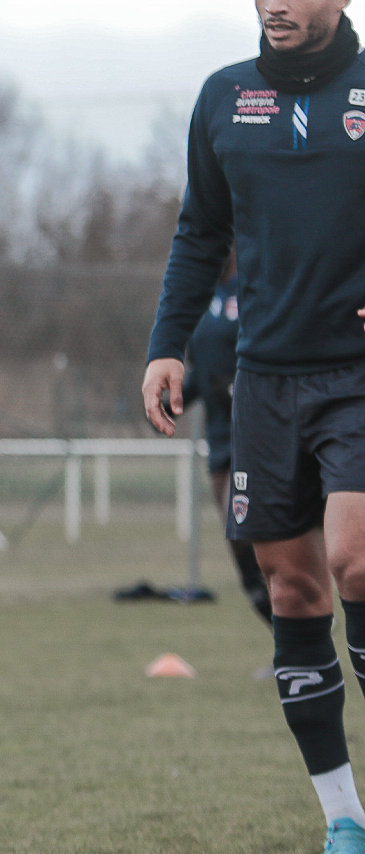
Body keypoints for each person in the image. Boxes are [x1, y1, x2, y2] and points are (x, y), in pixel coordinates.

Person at [142, 0, 365, 854]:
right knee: (293, 591)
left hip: (359, 373)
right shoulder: (225, 97)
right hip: (264, 381)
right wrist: (168, 346)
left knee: (356, 558)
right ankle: (345, 824)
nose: (277, 3)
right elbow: (200, 231)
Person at [181, 257, 271, 624]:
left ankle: (298, 615)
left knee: (243, 514)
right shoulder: (199, 300)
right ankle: (278, 621)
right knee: (237, 537)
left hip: (255, 430)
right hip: (218, 437)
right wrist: (172, 399)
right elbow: (200, 371)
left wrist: (237, 387)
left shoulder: (253, 287)